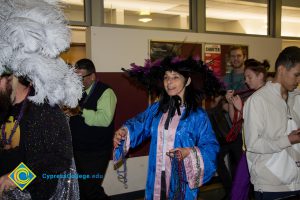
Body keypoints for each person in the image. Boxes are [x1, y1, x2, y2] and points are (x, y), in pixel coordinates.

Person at [114, 56, 220, 200]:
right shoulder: (157, 110)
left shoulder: (197, 115)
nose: (169, 82)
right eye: (166, 77)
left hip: (181, 178)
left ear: (187, 81)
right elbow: (139, 124)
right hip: (156, 174)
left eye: (175, 77)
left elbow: (211, 146)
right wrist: (124, 132)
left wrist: (189, 152)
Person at [0, 76, 79, 199]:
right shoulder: (4, 104)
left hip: (34, 193)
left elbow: (61, 157)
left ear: (12, 77)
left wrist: (17, 177)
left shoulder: (45, 108)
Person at [243, 46, 300, 200]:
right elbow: (253, 144)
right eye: (296, 75)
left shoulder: (297, 98)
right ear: (281, 70)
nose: (299, 80)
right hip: (271, 186)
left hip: (297, 183)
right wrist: (288, 140)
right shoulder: (257, 101)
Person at [67, 58, 117, 200]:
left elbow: (105, 119)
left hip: (96, 152)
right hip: (78, 149)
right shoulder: (77, 91)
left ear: (92, 76)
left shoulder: (106, 92)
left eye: (80, 78)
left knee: (91, 190)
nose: (77, 81)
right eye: (74, 77)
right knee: (82, 188)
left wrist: (80, 111)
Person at [225, 58, 270, 200]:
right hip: (249, 149)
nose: (246, 81)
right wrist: (231, 103)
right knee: (240, 188)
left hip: (263, 151)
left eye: (249, 77)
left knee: (255, 188)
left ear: (261, 76)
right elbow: (235, 120)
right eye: (245, 77)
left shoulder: (268, 95)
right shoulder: (252, 95)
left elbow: (265, 124)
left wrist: (241, 109)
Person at [217, 45, 248, 199]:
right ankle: (231, 192)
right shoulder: (225, 79)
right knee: (217, 159)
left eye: (239, 56)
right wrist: (221, 104)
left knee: (239, 164)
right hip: (225, 130)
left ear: (244, 57)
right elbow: (216, 100)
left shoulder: (249, 77)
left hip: (242, 129)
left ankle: (239, 194)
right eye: (233, 56)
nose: (236, 59)